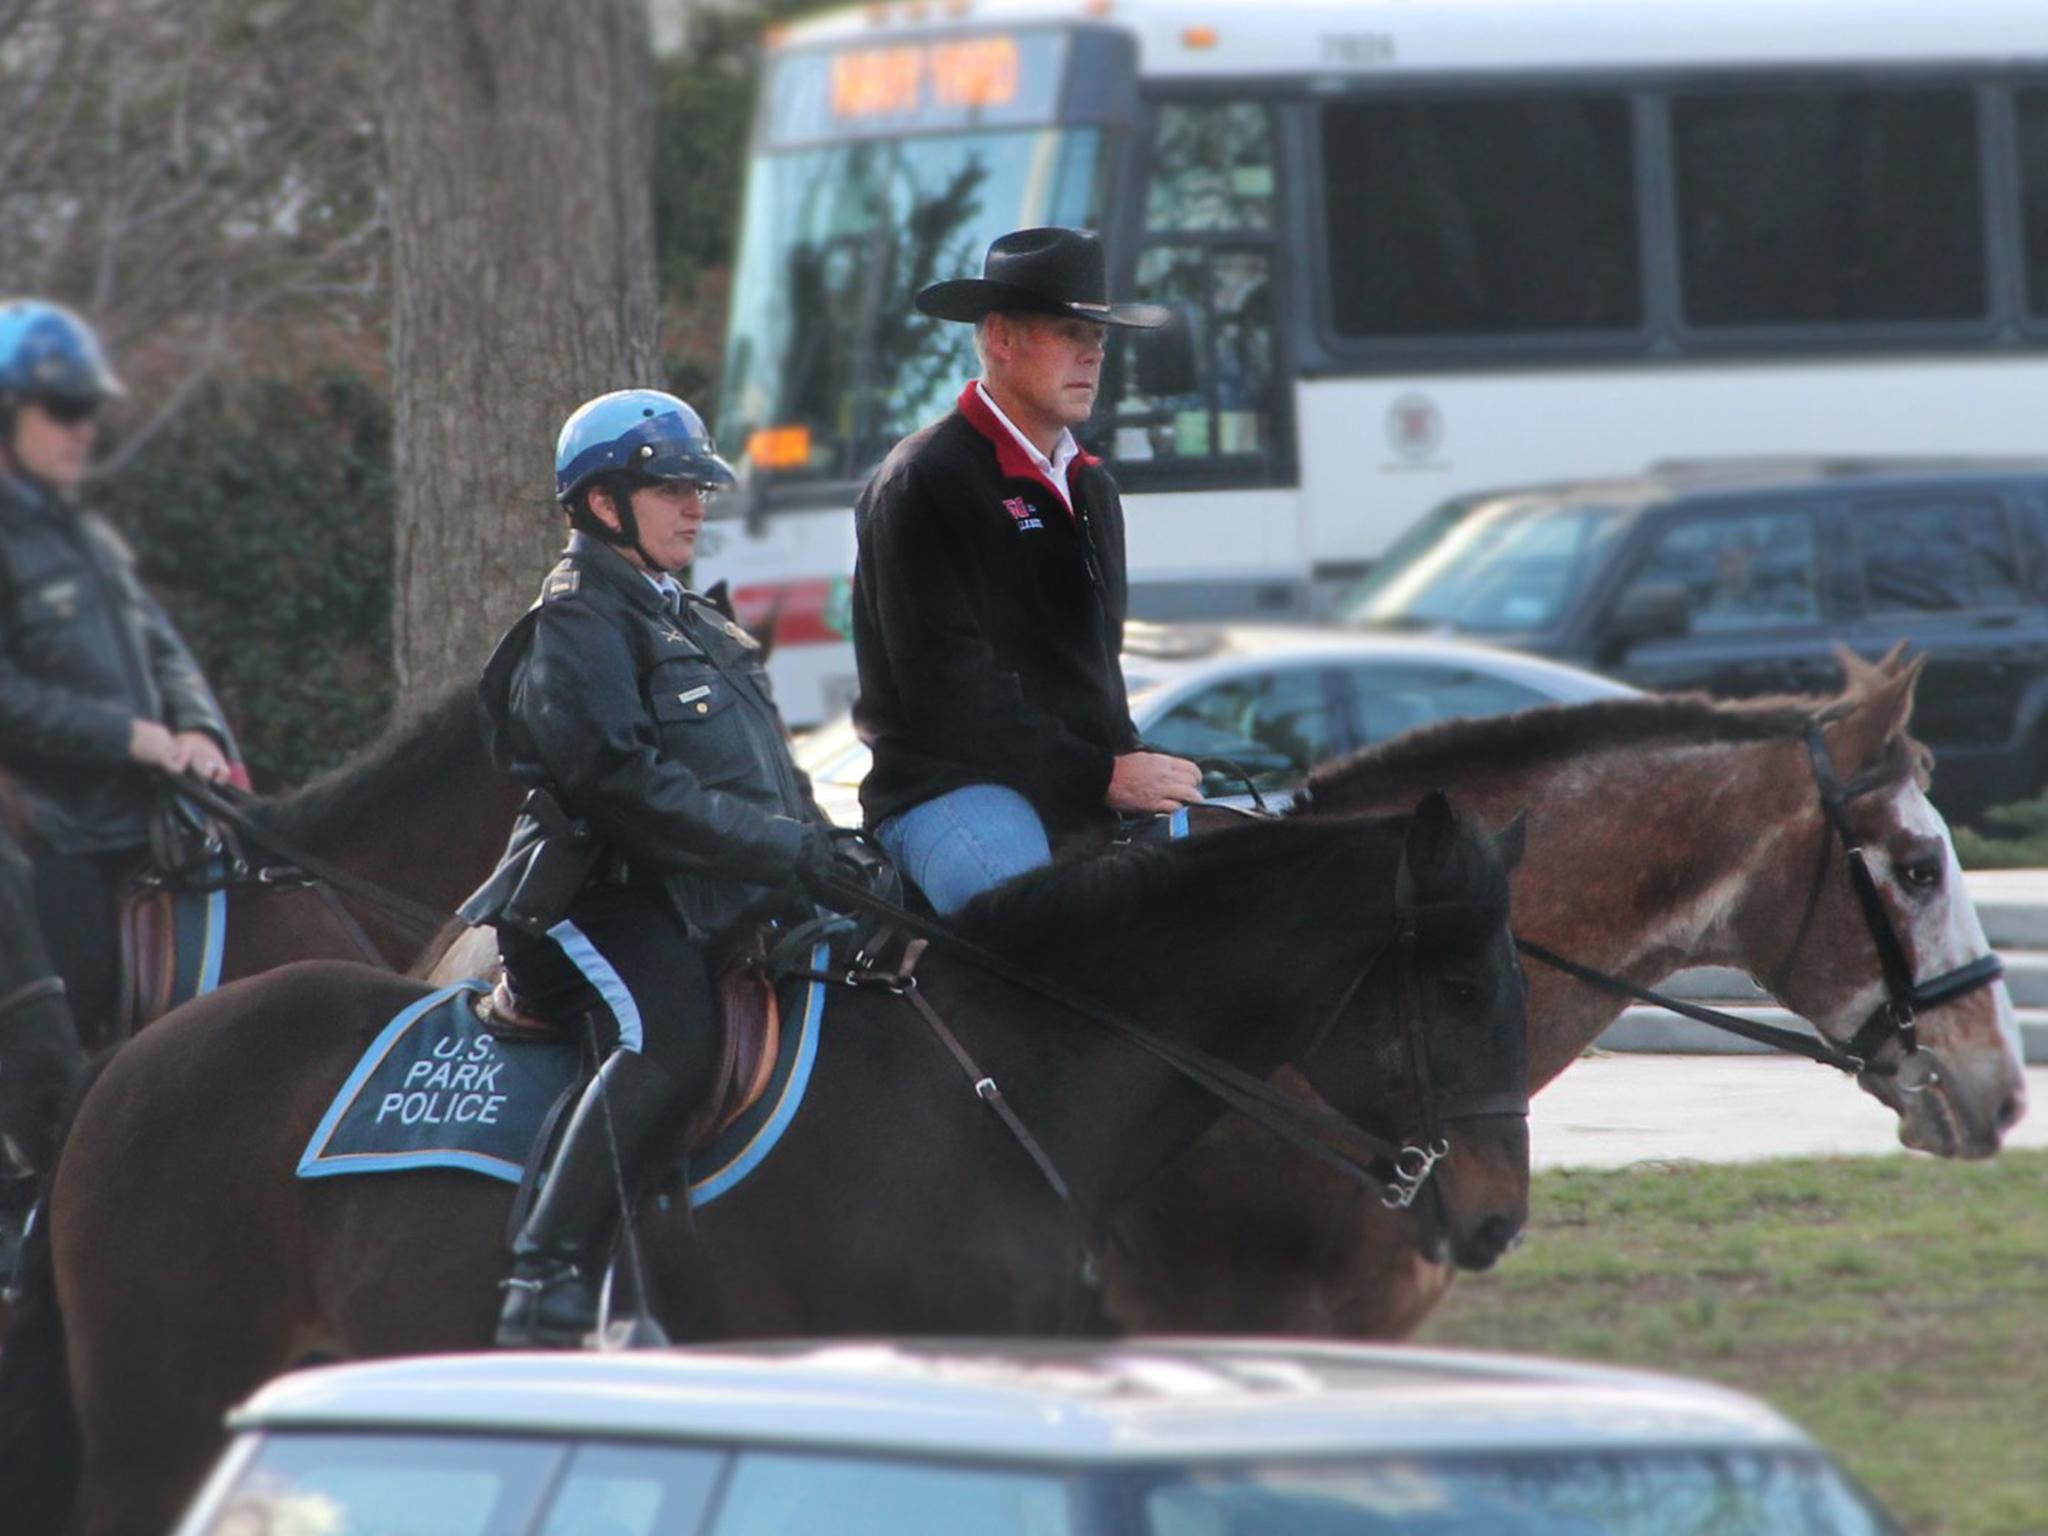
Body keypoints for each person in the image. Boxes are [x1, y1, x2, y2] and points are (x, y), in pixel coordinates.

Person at [459, 388, 840, 1348]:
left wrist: (829, 846)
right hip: (593, 900)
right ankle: (543, 1279)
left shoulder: (699, 622)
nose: (695, 505)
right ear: (601, 505)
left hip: (704, 894)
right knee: (670, 1036)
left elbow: (770, 775)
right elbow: (620, 786)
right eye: (670, 488)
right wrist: (782, 849)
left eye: (698, 487)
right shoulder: (579, 617)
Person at [849, 226, 1203, 916]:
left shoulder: (1092, 487)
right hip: (947, 788)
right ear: (1000, 339)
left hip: (1077, 785)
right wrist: (1104, 774)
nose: (1094, 353)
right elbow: (947, 692)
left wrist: (1134, 762)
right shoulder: (923, 479)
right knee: (1041, 934)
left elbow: (1095, 673)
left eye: (1099, 338)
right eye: (1071, 332)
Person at [0, 299, 240, 1040]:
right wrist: (122, 734)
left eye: (89, 410)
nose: (84, 429)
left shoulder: (83, 532)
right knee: (71, 1007)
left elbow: (160, 644)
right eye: (65, 409)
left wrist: (197, 727)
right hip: (53, 837)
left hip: (152, 820)